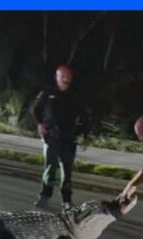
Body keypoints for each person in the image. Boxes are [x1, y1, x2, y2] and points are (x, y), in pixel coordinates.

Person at [32, 64, 89, 210]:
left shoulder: (75, 94)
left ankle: (67, 200)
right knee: (50, 168)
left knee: (67, 170)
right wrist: (40, 124)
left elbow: (84, 115)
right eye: (62, 76)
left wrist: (85, 134)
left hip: (69, 137)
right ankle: (44, 196)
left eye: (68, 76)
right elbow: (36, 108)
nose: (65, 79)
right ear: (57, 77)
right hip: (51, 136)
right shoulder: (48, 92)